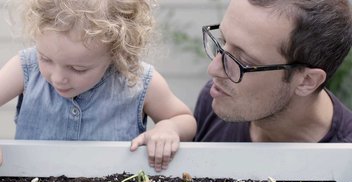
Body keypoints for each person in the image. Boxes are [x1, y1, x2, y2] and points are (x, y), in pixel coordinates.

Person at [0, 0, 197, 171]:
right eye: (46, 59)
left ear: (116, 52)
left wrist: (169, 127)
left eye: (78, 68)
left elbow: (184, 119)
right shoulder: (26, 68)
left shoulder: (137, 81)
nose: (58, 77)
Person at [194, 0, 352, 142]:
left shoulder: (345, 163)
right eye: (223, 41)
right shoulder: (215, 99)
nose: (213, 69)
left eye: (243, 61)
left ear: (307, 81)